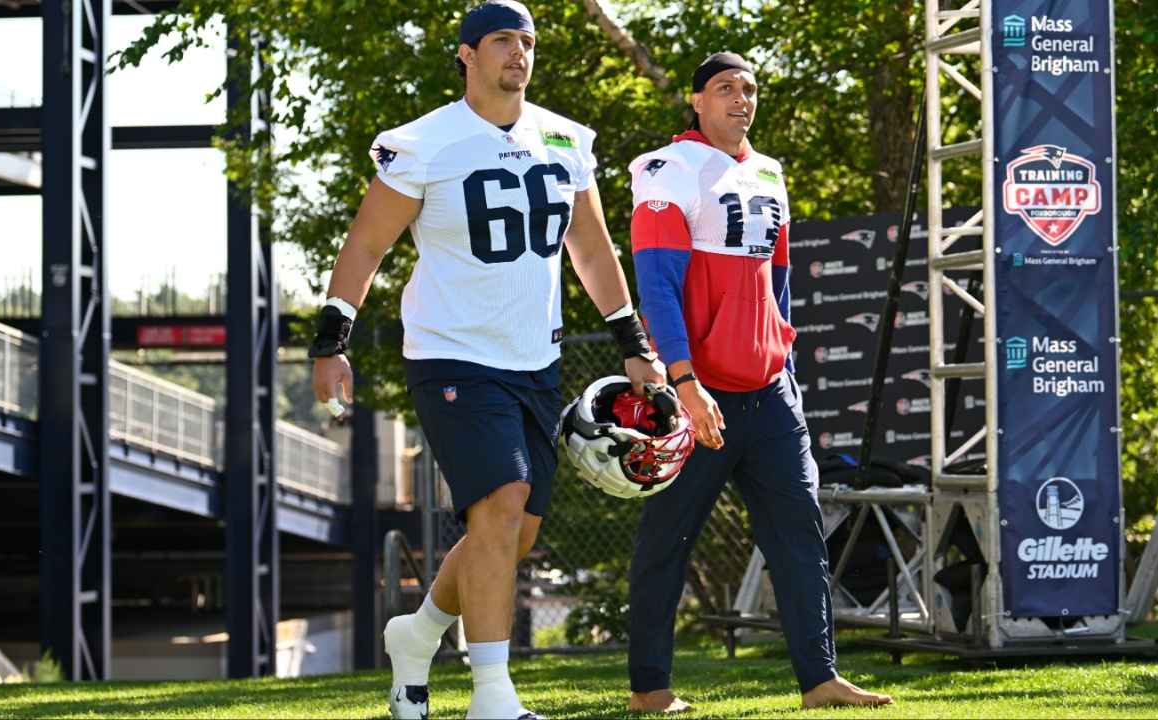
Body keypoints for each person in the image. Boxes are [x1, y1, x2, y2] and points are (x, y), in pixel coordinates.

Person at [308, 2, 663, 718]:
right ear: (467, 54)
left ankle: (417, 635)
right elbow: (367, 246)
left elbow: (591, 252)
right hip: (451, 354)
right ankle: (493, 697)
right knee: (498, 508)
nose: (519, 53)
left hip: (534, 357)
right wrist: (330, 342)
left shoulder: (564, 139)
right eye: (503, 40)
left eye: (527, 42)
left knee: (515, 530)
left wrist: (636, 346)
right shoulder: (424, 142)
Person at [624, 52, 894, 712]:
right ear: (696, 101)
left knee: (800, 535)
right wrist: (684, 384)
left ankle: (820, 681)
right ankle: (650, 690)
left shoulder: (770, 173)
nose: (740, 100)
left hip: (770, 393)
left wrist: (788, 372)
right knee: (667, 540)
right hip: (698, 395)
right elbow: (656, 288)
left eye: (749, 89)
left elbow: (780, 287)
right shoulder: (667, 170)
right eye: (725, 89)